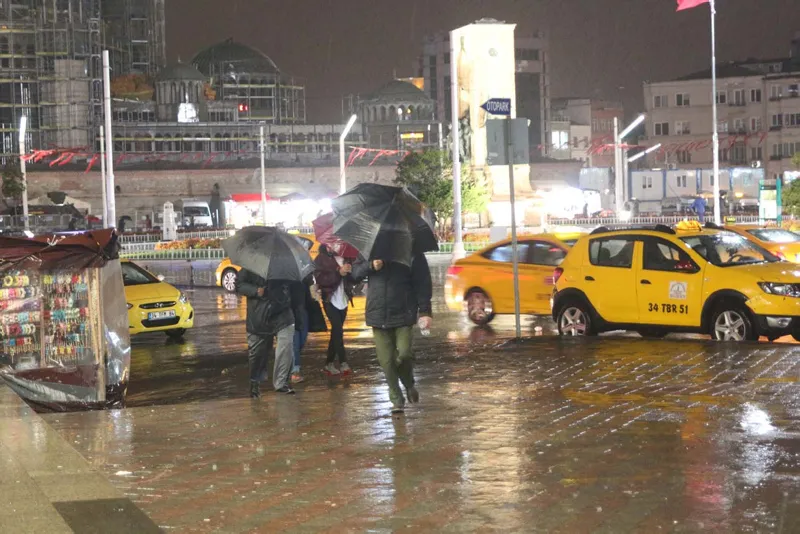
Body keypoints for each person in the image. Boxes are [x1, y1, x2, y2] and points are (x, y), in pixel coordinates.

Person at [352, 253, 432, 414]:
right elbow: (354, 274)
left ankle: (409, 383)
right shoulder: (370, 248)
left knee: (404, 354)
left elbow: (422, 283)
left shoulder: (411, 249)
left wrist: (425, 311)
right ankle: (396, 398)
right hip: (377, 313)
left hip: (404, 313)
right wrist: (371, 266)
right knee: (386, 361)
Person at [236, 269, 306, 398]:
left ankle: (281, 383)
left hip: (283, 313)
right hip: (259, 316)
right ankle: (255, 382)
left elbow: (298, 289)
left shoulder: (285, 265)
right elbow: (239, 284)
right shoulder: (252, 264)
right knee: (257, 354)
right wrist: (256, 291)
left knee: (286, 347)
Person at [314, 244, 356, 376]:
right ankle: (343, 362)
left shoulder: (347, 258)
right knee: (338, 329)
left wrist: (350, 272)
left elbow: (353, 279)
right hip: (329, 299)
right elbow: (321, 280)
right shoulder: (321, 259)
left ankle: (329, 364)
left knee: (336, 332)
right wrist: (338, 273)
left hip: (343, 299)